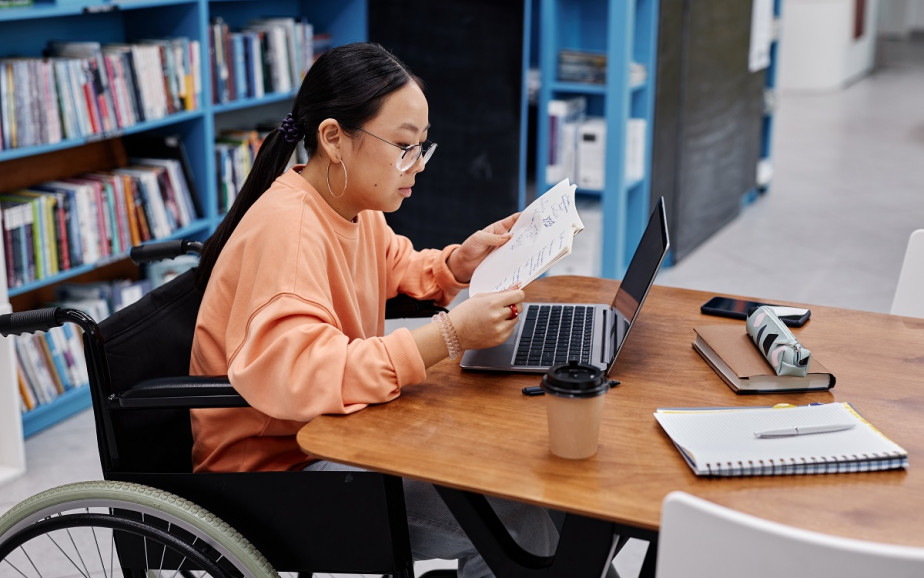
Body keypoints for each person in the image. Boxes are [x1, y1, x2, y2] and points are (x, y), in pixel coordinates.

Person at [188, 42, 560, 577]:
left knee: (521, 486)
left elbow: (396, 264)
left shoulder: (350, 207)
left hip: (332, 428)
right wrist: (449, 336)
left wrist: (458, 262)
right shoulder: (287, 232)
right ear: (334, 139)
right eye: (404, 147)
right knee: (514, 517)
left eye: (422, 148)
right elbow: (304, 372)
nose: (416, 167)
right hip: (279, 470)